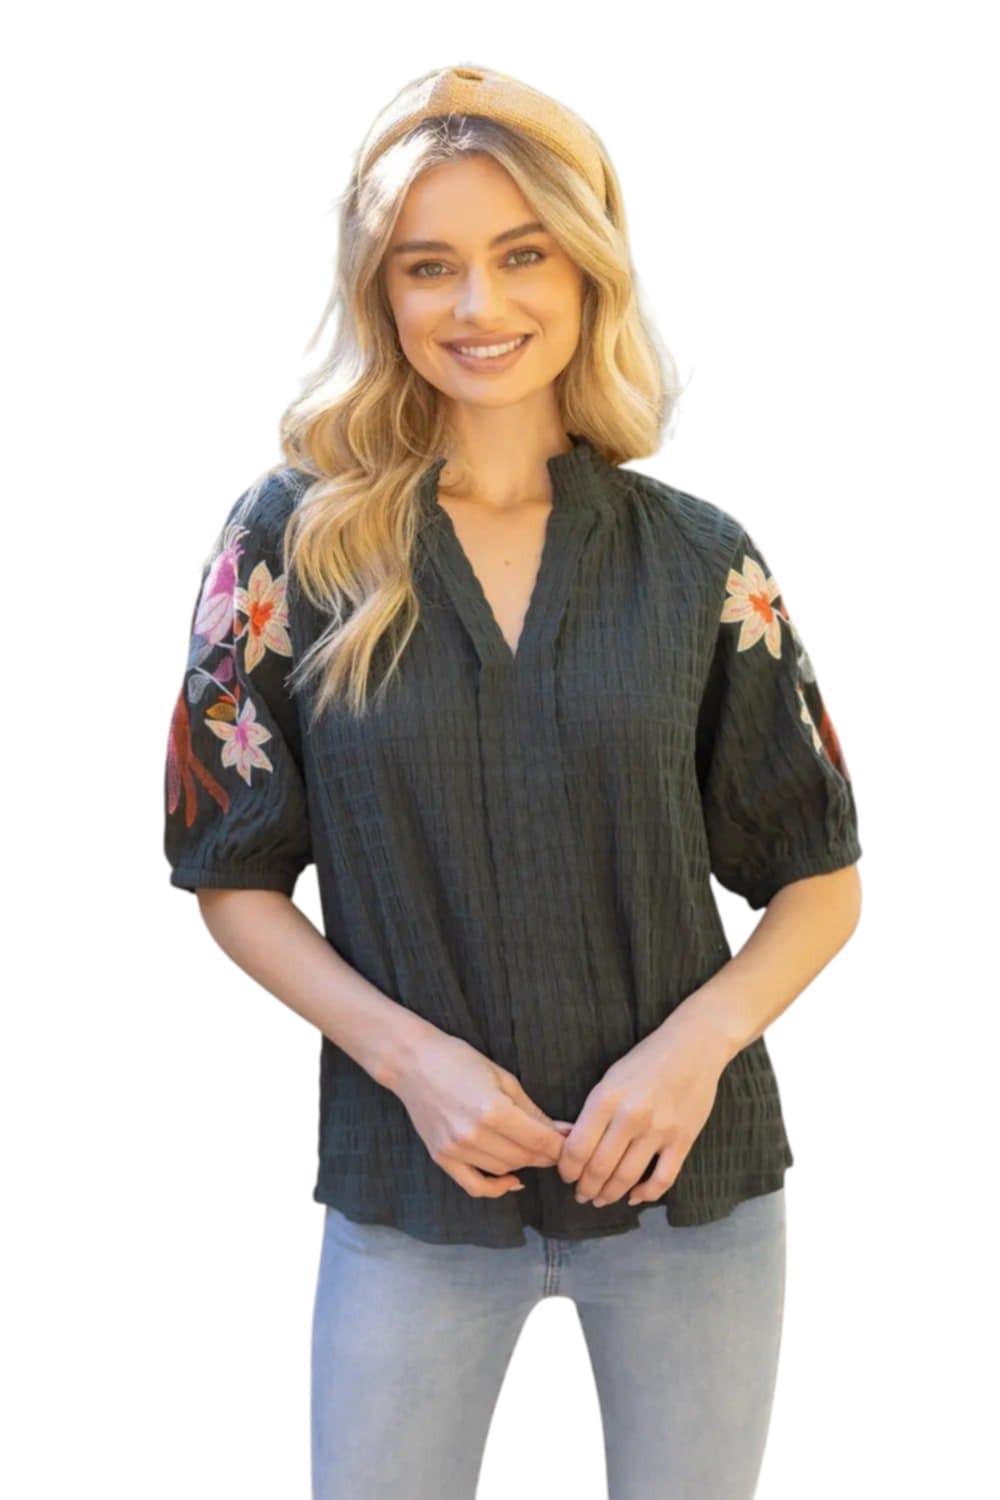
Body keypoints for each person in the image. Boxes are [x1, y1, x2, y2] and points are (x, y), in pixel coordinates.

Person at [163, 63, 863, 1500]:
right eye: (431, 266)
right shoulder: (291, 544)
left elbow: (820, 878)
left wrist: (690, 1053)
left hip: (691, 1186)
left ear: (587, 268)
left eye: (521, 254)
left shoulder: (699, 559)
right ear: (382, 293)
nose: (478, 304)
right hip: (412, 1187)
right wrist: (411, 1063)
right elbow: (228, 870)